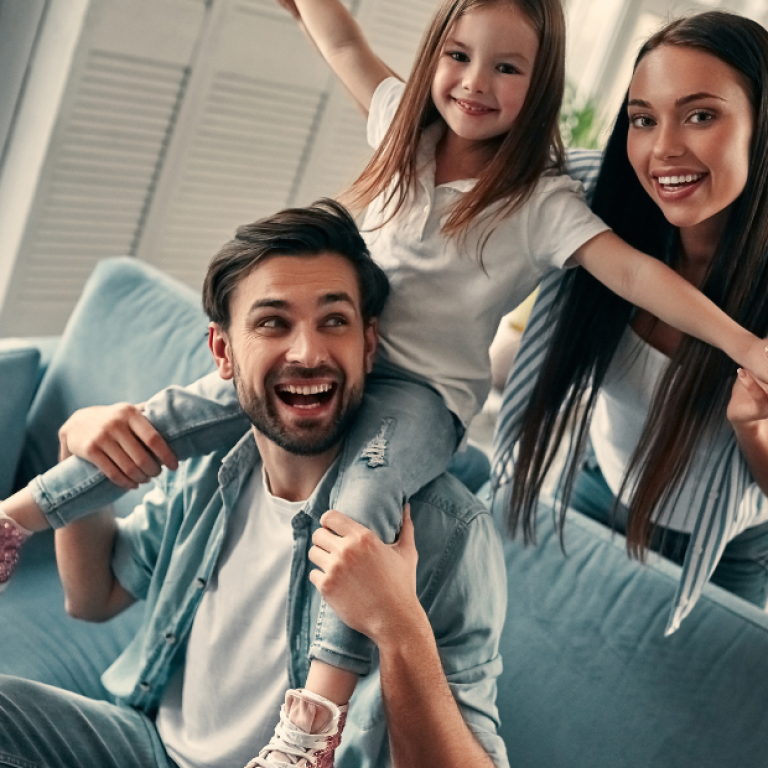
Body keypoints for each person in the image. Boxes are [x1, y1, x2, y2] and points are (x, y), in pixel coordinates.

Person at [4, 0, 768, 755]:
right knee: (165, 415)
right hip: (387, 391)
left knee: (364, 497)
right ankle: (16, 517)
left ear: (540, 90)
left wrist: (745, 346)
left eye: (508, 68)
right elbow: (343, 44)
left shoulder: (544, 202)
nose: (475, 83)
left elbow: (633, 273)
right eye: (460, 57)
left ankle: (313, 720)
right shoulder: (404, 132)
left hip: (423, 401)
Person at [0, 199, 509, 768]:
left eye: (333, 321)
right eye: (273, 322)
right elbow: (93, 598)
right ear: (223, 351)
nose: (309, 353)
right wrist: (81, 448)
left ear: (369, 345)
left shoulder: (447, 531)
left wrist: (398, 629)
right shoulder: (208, 469)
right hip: (150, 748)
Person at [493, 10, 768, 635]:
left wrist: (753, 426)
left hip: (725, 551)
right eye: (643, 119)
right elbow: (440, 131)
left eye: (700, 115)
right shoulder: (597, 207)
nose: (663, 148)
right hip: (598, 486)